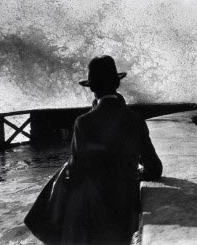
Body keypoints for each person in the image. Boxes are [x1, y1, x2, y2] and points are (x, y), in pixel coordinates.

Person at [61, 55, 163, 244]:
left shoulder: (83, 123)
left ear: (92, 88)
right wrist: (137, 171)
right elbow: (155, 168)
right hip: (127, 207)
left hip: (95, 211)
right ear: (117, 84)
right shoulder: (134, 119)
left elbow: (75, 173)